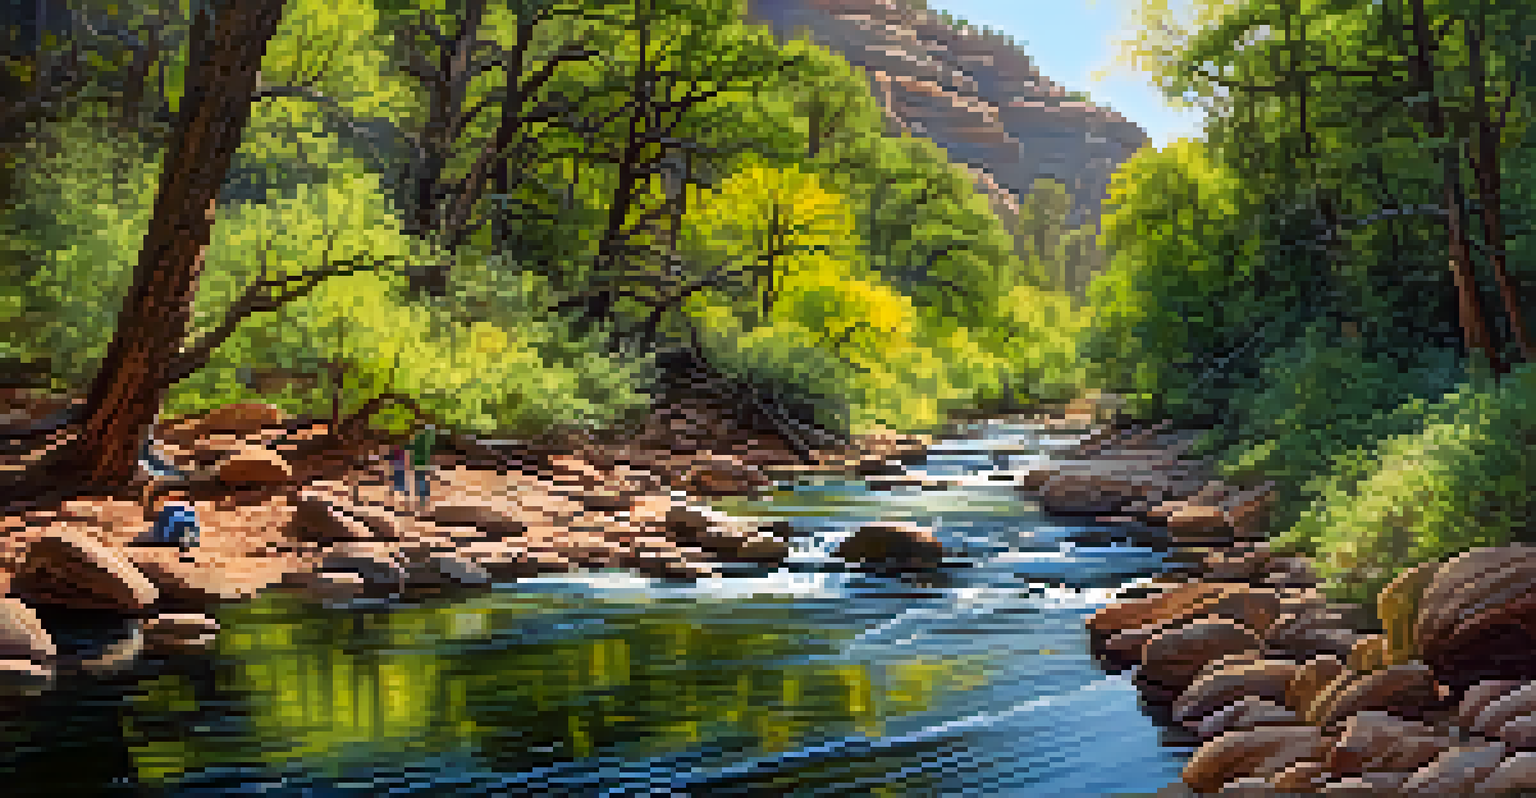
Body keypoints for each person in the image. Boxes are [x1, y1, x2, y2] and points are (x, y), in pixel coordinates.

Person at [410, 423, 437, 512]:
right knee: (423, 482)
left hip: (418, 463)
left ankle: (423, 503)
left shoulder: (416, 439)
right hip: (424, 463)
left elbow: (412, 451)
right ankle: (424, 502)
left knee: (420, 482)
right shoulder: (428, 439)